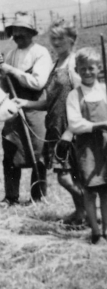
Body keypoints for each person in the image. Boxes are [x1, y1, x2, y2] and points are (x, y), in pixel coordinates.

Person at [14, 20, 85, 224]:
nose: (56, 42)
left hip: (71, 130)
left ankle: (89, 209)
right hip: (55, 127)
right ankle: (81, 212)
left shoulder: (74, 65)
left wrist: (70, 131)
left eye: (60, 38)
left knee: (66, 177)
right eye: (53, 38)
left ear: (71, 40)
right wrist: (26, 103)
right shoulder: (56, 64)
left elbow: (83, 101)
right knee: (71, 176)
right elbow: (50, 101)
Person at [0, 11, 52, 205]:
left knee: (39, 152)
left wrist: (10, 70)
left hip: (34, 107)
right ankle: (11, 196)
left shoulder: (40, 53)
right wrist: (2, 75)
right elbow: (4, 86)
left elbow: (37, 82)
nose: (17, 36)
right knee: (10, 149)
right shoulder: (10, 55)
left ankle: (38, 196)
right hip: (13, 109)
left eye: (22, 32)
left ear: (31, 33)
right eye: (15, 32)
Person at [66, 47, 107, 244]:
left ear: (99, 68)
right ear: (76, 70)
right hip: (87, 149)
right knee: (90, 191)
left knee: (106, 190)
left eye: (91, 68)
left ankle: (106, 230)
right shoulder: (74, 96)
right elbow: (75, 124)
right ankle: (96, 232)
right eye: (82, 69)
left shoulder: (104, 91)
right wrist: (99, 125)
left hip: (105, 146)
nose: (87, 72)